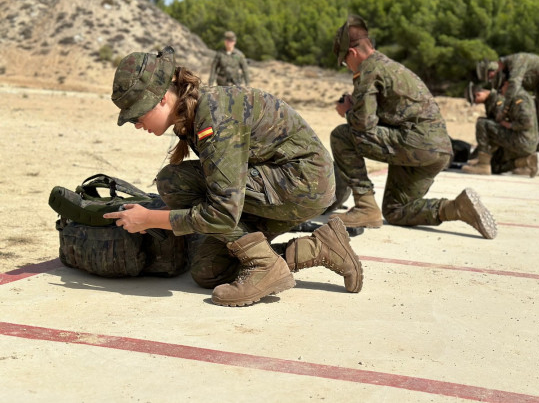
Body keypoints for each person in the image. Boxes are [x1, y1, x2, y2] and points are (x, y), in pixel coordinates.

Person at [104, 46, 363, 307]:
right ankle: (320, 248)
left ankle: (264, 264)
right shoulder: (191, 114)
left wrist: (149, 218)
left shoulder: (213, 117)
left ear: (161, 98)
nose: (137, 124)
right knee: (209, 271)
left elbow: (223, 213)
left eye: (137, 115)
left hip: (302, 185)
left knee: (172, 182)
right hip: (277, 186)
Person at [328, 15, 497, 240]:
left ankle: (365, 207)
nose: (347, 67)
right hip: (438, 150)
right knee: (396, 210)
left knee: (342, 136)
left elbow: (363, 126)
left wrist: (348, 111)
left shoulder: (369, 71)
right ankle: (456, 208)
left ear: (352, 53)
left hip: (414, 144)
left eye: (344, 61)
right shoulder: (391, 67)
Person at [462, 71, 539, 177]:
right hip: (520, 140)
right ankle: (527, 162)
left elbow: (526, 122)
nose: (501, 89)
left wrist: (509, 125)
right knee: (494, 167)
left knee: (482, 123)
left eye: (475, 100)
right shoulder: (501, 99)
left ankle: (483, 165)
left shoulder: (505, 99)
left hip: (521, 141)